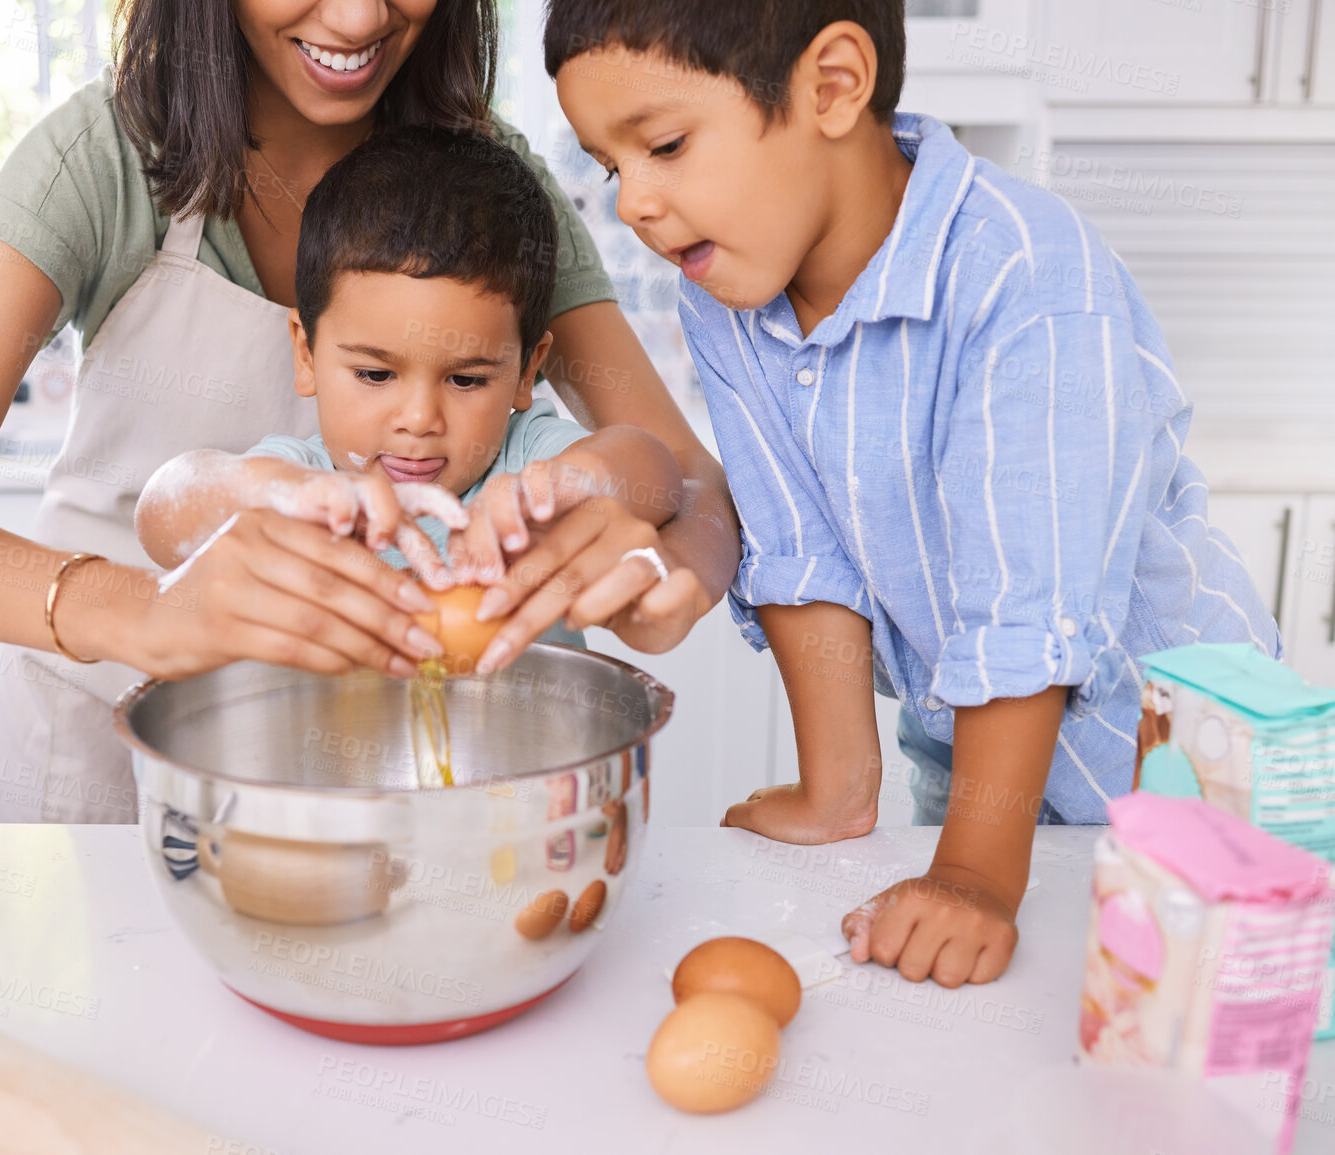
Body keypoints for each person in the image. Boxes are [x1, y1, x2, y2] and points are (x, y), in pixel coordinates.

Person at [0, 0, 737, 823]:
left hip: (381, 790)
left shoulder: (486, 193)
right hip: (106, 749)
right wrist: (147, 609)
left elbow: (685, 478)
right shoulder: (98, 162)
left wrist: (671, 578)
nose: (355, 18)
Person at [545, 0, 1277, 986]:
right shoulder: (729, 299)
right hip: (975, 766)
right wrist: (840, 790)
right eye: (609, 165)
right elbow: (805, 553)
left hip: (1194, 779)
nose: (632, 202)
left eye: (665, 145)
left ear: (834, 85)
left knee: (1186, 1058)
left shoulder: (1023, 274)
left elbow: (1030, 602)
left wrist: (975, 873)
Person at [136, 126, 684, 656]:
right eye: (375, 375)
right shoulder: (305, 486)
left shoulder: (524, 468)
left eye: (466, 379)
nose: (420, 420)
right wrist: (272, 492)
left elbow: (655, 470)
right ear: (306, 354)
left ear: (525, 372)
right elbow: (164, 512)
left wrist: (572, 484)